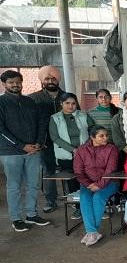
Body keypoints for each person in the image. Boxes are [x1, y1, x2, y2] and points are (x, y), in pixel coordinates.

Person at [0, 70, 50, 232]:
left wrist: (39, 143)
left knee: (33, 184)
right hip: (11, 152)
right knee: (14, 186)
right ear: (4, 84)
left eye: (17, 82)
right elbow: (1, 129)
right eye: (11, 82)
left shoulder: (30, 102)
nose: (15, 85)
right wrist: (21, 145)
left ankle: (31, 214)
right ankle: (16, 218)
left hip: (34, 150)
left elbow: (41, 122)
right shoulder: (2, 103)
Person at [49, 92, 96, 219]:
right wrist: (72, 150)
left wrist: (82, 148)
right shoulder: (55, 118)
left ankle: (91, 204)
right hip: (66, 155)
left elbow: (93, 131)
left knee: (88, 178)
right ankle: (78, 208)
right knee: (73, 182)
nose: (71, 106)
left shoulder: (83, 115)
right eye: (67, 103)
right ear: (61, 104)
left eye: (73, 103)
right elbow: (54, 137)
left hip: (85, 153)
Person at [73, 126, 119, 246]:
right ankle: (92, 232)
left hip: (110, 182)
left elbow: (111, 169)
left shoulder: (111, 149)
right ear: (92, 137)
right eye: (101, 136)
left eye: (106, 135)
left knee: (98, 197)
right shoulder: (81, 150)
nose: (105, 138)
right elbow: (78, 171)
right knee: (85, 198)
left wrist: (99, 185)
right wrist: (89, 185)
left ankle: (91, 232)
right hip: (88, 184)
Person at [29, 65, 65, 213]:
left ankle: (72, 199)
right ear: (42, 81)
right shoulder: (33, 98)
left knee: (68, 169)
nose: (50, 81)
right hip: (45, 142)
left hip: (66, 141)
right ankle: (51, 200)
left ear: (58, 80)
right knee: (49, 171)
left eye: (53, 78)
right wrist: (37, 141)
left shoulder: (67, 96)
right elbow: (30, 122)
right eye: (47, 79)